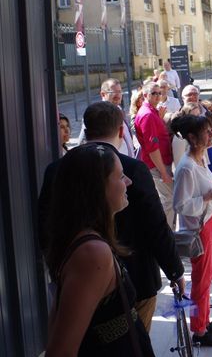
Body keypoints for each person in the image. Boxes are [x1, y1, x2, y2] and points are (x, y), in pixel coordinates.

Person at [39, 102, 186, 332]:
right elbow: (156, 225)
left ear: (86, 131)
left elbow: (44, 227)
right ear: (120, 131)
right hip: (134, 280)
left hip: (76, 279)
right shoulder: (133, 169)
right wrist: (175, 271)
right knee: (132, 352)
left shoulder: (56, 169)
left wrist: (59, 269)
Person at [44, 144, 160, 357]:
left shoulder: (89, 242)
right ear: (97, 189)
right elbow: (60, 356)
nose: (128, 181)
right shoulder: (92, 253)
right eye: (119, 176)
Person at [172, 114, 212, 347]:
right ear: (193, 138)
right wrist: (209, 196)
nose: (211, 135)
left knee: (206, 278)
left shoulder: (200, 158)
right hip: (198, 228)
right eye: (206, 132)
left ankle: (204, 320)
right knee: (201, 280)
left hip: (207, 223)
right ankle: (199, 330)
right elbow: (181, 204)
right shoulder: (186, 167)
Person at [134, 82, 174, 228]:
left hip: (160, 164)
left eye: (159, 93)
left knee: (167, 200)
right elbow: (152, 148)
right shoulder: (147, 115)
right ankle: (167, 237)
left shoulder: (152, 112)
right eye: (153, 93)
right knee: (168, 200)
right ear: (145, 95)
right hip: (157, 166)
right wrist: (163, 172)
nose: (158, 96)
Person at [78, 78, 136, 157]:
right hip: (110, 163)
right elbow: (83, 142)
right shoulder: (96, 113)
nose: (118, 95)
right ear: (103, 94)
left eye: (119, 91)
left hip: (127, 162)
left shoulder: (119, 110)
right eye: (114, 92)